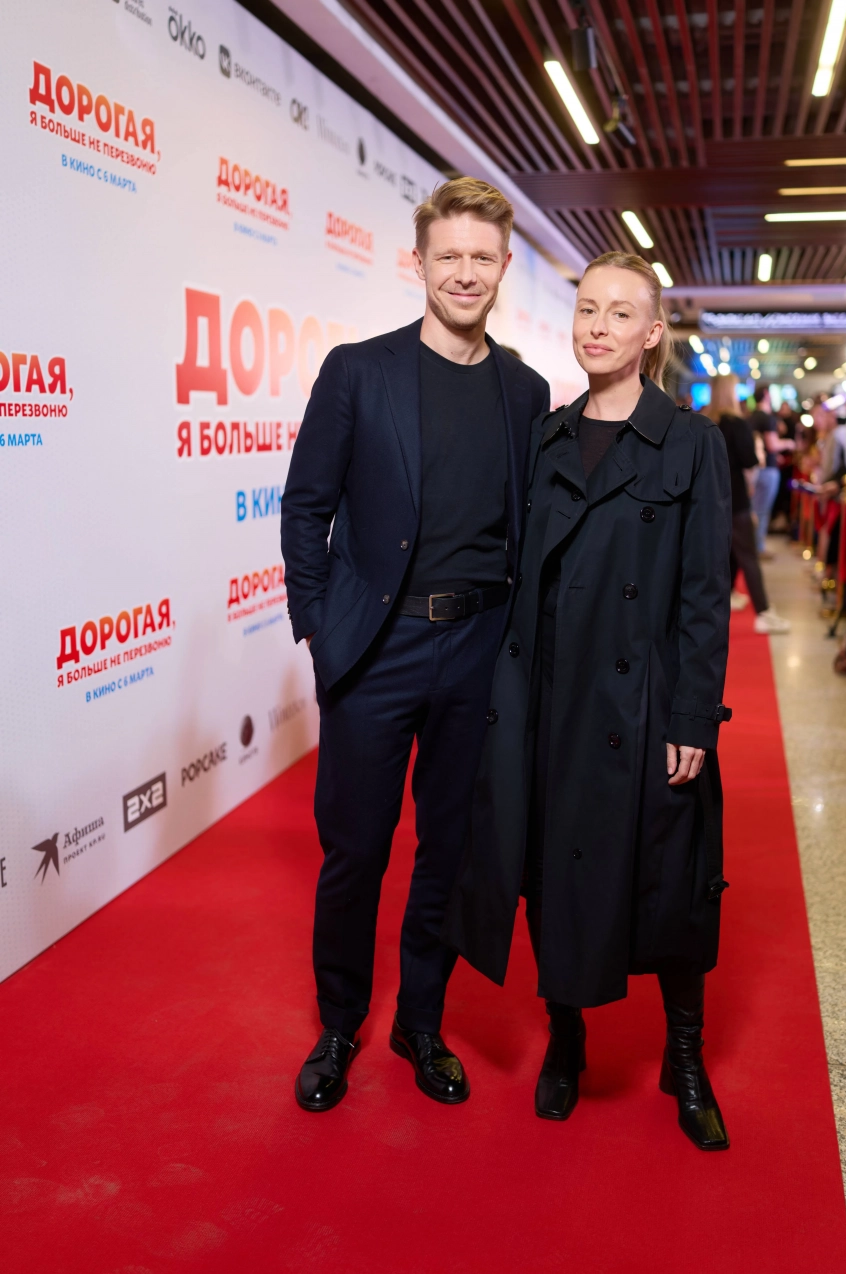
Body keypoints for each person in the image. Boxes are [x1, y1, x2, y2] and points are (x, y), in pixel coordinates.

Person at [445, 252, 733, 1150]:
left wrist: (693, 716)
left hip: (644, 703)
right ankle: (566, 1040)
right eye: (586, 310)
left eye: (619, 313)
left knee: (672, 882)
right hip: (552, 699)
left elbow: (703, 594)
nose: (598, 327)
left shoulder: (690, 441)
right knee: (553, 873)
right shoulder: (548, 435)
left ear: (652, 333)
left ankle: (685, 1057)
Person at [280, 178, 549, 1112]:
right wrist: (322, 629)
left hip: (480, 648)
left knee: (450, 848)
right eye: (449, 256)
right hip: (375, 647)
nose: (465, 273)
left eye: (482, 257)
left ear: (503, 266)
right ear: (420, 262)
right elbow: (306, 508)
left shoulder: (525, 390)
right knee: (355, 849)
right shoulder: (359, 371)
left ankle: (420, 1023)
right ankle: (339, 1024)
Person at [709, 376, 791, 634]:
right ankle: (763, 612)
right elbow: (749, 460)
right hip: (735, 495)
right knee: (748, 554)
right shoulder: (736, 423)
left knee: (729, 551)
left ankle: (730, 592)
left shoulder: (704, 421)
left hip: (710, 497)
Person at [749, 385, 795, 556]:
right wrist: (789, 443)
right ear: (766, 395)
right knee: (762, 510)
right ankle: (758, 548)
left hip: (754, 469)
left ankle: (754, 546)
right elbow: (772, 444)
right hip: (767, 469)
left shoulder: (751, 417)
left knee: (754, 509)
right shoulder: (767, 418)